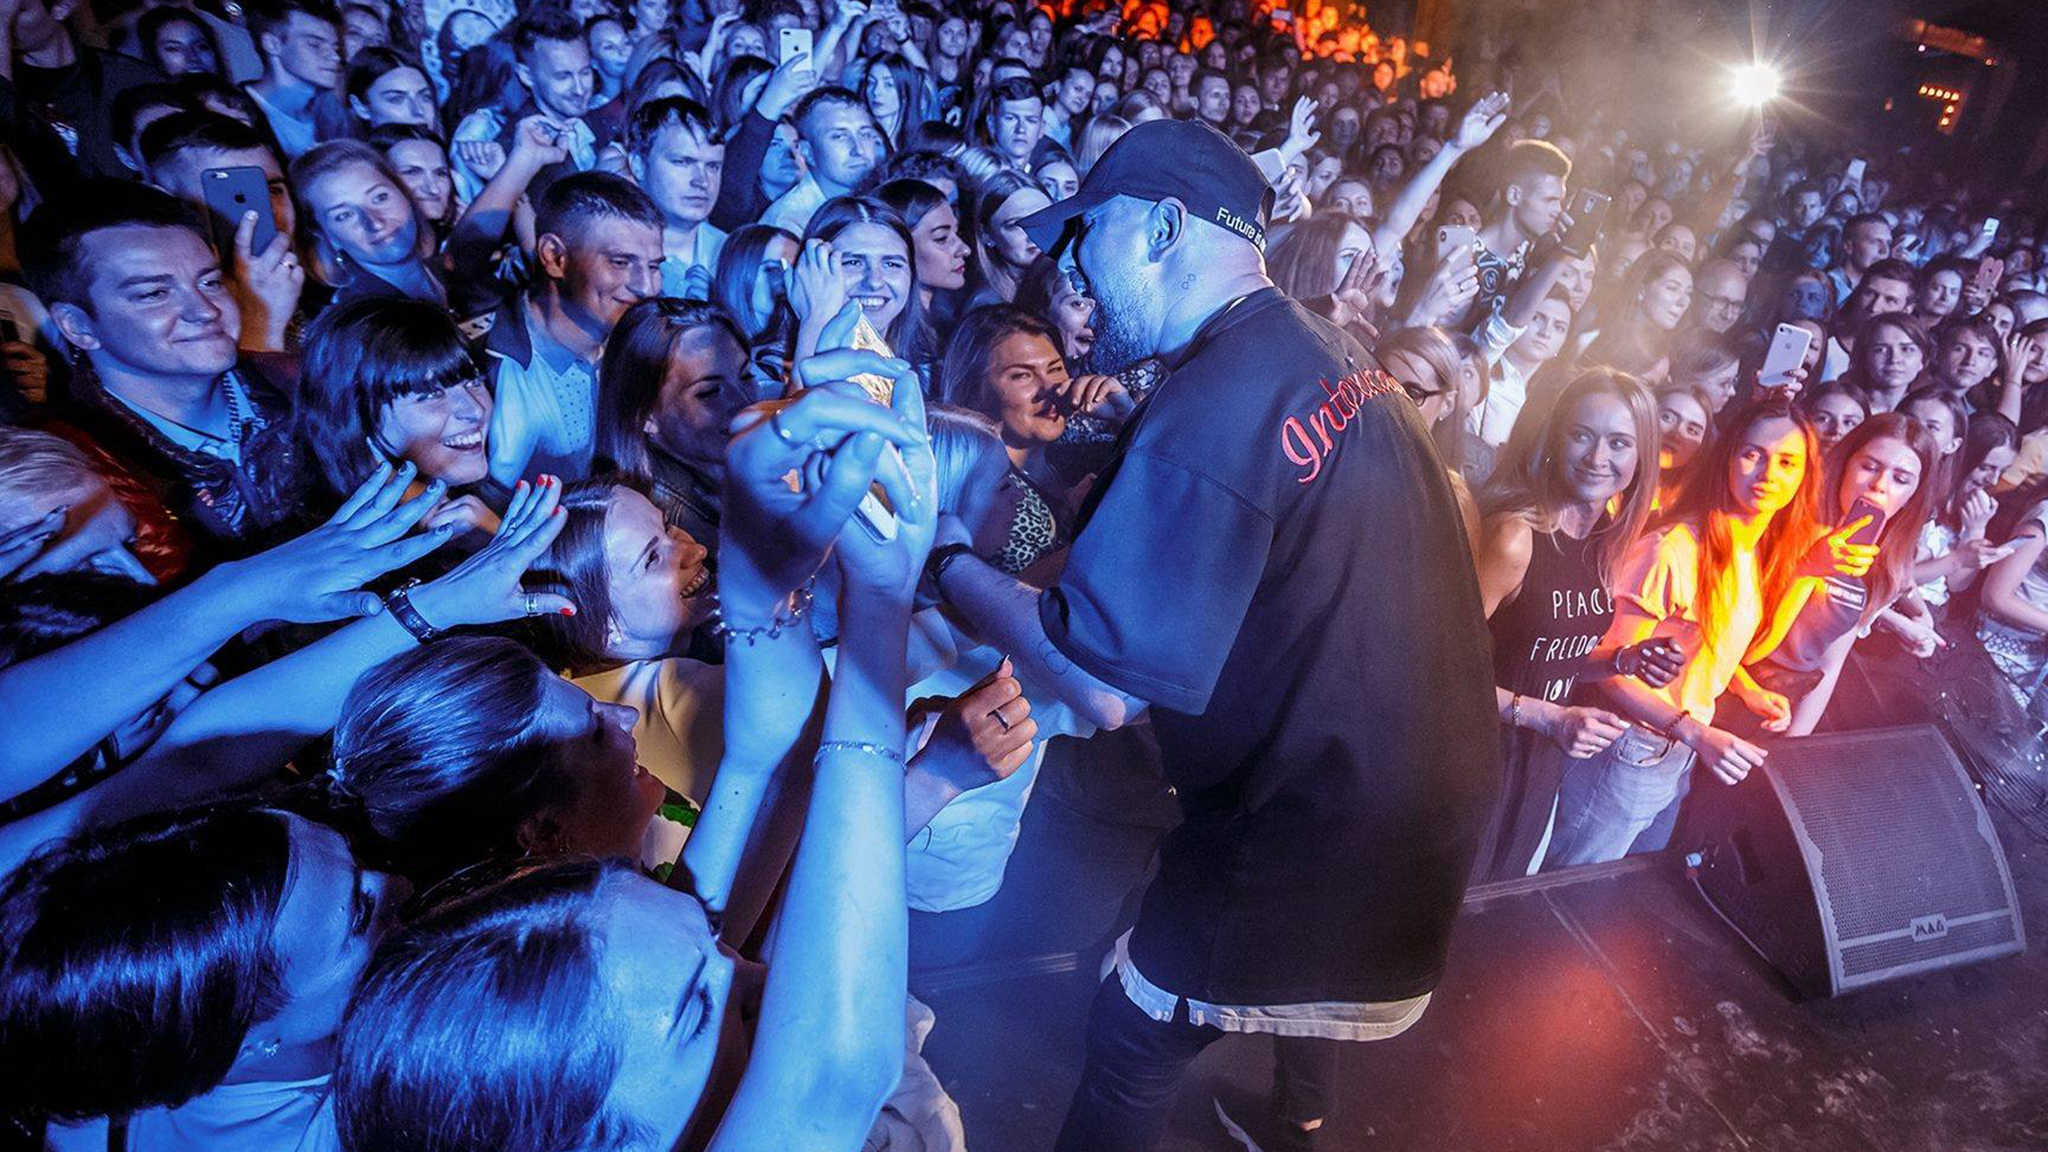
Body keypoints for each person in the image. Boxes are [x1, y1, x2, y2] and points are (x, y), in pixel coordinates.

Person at [924, 118, 1496, 1152]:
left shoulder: (1214, 400)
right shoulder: (1327, 350)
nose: (1071, 270)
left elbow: (1102, 685)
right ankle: (1291, 1120)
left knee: (1132, 1033)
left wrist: (947, 562)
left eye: (1085, 235)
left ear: (1158, 229)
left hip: (1302, 833)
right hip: (1418, 812)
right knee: (1165, 984)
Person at [333, 340, 939, 1152]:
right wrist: (882, 597)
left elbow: (769, 761)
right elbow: (829, 1080)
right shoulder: (589, 969)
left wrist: (764, 577)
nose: (764, 974)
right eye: (696, 1011)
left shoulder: (620, 922)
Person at [1544, 398, 1833, 868]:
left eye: (1787, 462)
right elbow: (1606, 666)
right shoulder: (1672, 550)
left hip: (1674, 749)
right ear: (1727, 458)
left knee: (1626, 888)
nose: (1768, 473)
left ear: (1805, 475)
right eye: (1753, 454)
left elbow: (1704, 641)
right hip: (1629, 747)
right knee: (1572, 887)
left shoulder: (1746, 547)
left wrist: (1747, 688)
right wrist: (1697, 733)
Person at [22, 187, 308, 559]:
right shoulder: (72, 474)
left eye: (210, 283)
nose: (204, 310)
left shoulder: (313, 385)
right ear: (77, 326)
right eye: (155, 293)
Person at [1470, 369, 1672, 881]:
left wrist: (1621, 661)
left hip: (1536, 764)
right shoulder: (1515, 536)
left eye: (1619, 442)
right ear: (1556, 438)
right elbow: (1432, 673)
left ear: (1642, 456)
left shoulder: (1603, 541)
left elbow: (1546, 658)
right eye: (1582, 435)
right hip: (1471, 757)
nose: (1597, 457)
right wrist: (1547, 717)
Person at [1747, 414, 1936, 735]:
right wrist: (1809, 567)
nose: (1880, 485)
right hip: (1730, 684)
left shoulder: (1878, 563)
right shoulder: (1783, 523)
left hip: (1781, 707)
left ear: (1912, 497)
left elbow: (1830, 664)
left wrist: (1795, 743)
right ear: (1845, 464)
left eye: (1900, 479)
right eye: (1870, 467)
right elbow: (1740, 634)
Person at [484, 171, 663, 486]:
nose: (646, 287)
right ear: (555, 257)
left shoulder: (643, 339)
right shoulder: (492, 368)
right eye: (620, 262)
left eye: (654, 266)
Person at [293, 297, 498, 528]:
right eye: (430, 395)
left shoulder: (474, 503)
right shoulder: (330, 540)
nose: (475, 409)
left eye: (474, 381)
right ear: (357, 418)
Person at [592, 298, 753, 549]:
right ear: (645, 416)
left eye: (746, 376)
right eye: (709, 392)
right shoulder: (671, 531)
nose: (743, 401)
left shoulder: (730, 481)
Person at [623, 96, 728, 298]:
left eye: (713, 166)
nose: (702, 181)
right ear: (638, 165)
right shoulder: (608, 254)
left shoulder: (732, 258)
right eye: (682, 162)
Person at [762, 87, 883, 235]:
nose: (859, 150)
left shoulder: (882, 198)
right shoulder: (788, 226)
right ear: (808, 152)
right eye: (839, 136)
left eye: (865, 134)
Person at [243, 1, 344, 159]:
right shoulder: (234, 113)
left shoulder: (334, 111)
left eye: (335, 47)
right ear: (272, 44)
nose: (335, 56)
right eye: (314, 44)